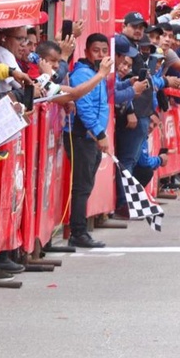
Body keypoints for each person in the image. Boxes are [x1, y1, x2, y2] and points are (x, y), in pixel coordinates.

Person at [62, 33, 112, 248]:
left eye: (104, 51)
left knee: (86, 184)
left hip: (91, 136)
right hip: (82, 136)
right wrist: (99, 133)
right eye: (96, 50)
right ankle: (78, 232)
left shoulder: (97, 73)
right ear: (86, 51)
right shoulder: (84, 74)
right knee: (82, 186)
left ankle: (79, 230)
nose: (101, 55)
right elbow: (84, 107)